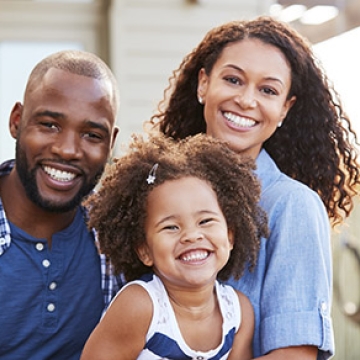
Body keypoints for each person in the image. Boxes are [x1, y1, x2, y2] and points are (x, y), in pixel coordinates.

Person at [149, 16, 360, 360]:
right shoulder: (157, 189)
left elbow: (294, 356)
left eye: (268, 90)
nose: (247, 100)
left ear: (284, 109)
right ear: (203, 84)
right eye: (233, 79)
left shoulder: (292, 206)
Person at [80, 133, 269, 360]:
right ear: (145, 251)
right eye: (171, 227)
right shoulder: (140, 307)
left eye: (205, 221)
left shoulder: (238, 312)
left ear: (230, 237)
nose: (191, 236)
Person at [0, 49, 120, 360]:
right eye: (50, 125)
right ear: (17, 121)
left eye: (92, 135)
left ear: (110, 144)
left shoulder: (119, 241)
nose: (68, 150)